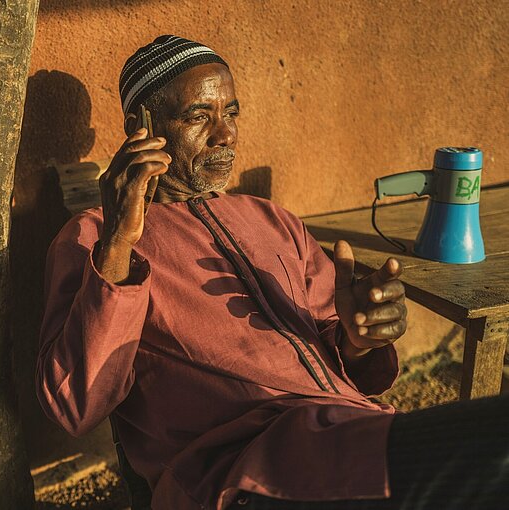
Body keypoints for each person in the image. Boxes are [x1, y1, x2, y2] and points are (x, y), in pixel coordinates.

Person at [36, 36, 509, 510]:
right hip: (236, 476)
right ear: (141, 127)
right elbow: (74, 405)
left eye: (232, 114)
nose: (224, 135)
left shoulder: (273, 221)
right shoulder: (91, 238)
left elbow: (348, 364)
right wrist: (119, 241)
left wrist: (357, 340)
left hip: (345, 438)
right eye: (199, 116)